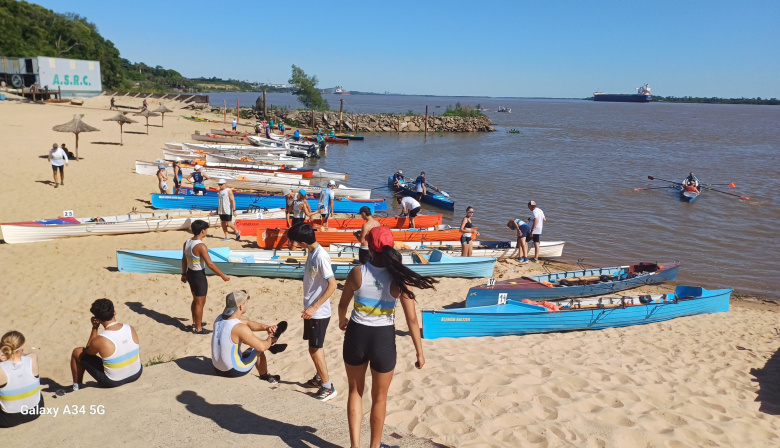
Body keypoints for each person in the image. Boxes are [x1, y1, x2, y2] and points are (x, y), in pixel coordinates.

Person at [338, 227, 436, 448]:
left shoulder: (357, 273)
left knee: (355, 391)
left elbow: (343, 304)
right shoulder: (399, 279)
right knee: (379, 398)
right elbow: (412, 320)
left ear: (369, 247)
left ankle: (355, 447)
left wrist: (342, 319)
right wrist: (420, 352)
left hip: (356, 334)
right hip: (382, 339)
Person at [288, 224, 339, 401]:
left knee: (315, 349)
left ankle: (328, 387)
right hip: (311, 310)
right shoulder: (310, 252)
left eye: (295, 241)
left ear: (302, 242)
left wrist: (314, 307)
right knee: (313, 348)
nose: (292, 244)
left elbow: (333, 285)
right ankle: (319, 377)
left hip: (319, 312)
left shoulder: (321, 257)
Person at [211, 290, 288, 383]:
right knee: (258, 349)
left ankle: (272, 347)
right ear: (241, 306)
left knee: (247, 341)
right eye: (246, 302)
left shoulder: (220, 318)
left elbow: (247, 322)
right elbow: (261, 347)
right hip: (232, 371)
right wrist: (270, 338)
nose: (247, 304)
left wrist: (267, 328)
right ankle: (265, 376)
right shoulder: (239, 327)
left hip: (217, 368)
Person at [70, 299, 142, 391]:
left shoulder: (100, 339)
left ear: (98, 319)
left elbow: (88, 352)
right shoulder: (130, 328)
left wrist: (94, 328)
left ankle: (77, 387)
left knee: (78, 351)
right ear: (114, 312)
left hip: (113, 381)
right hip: (136, 373)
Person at [182, 220, 230, 334]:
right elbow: (210, 264)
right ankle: (198, 328)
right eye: (206, 229)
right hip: (198, 275)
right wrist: (222, 275)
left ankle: (195, 322)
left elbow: (184, 259)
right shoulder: (201, 246)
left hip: (190, 273)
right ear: (202, 231)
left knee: (195, 300)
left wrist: (183, 273)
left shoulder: (187, 242)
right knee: (200, 302)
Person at [0, 331, 44, 428]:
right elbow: (24, 355)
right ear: (23, 346)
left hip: (7, 419)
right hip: (36, 411)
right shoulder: (32, 358)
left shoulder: (1, 368)